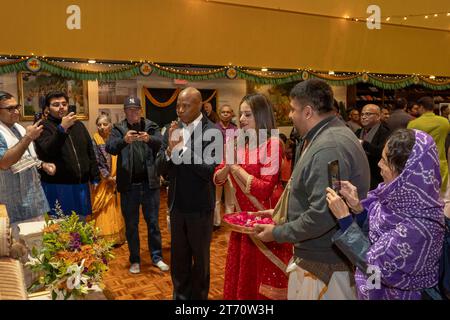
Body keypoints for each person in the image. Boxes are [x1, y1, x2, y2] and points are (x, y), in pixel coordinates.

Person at [254, 79, 370, 300]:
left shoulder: (328, 145)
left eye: (292, 109)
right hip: (324, 256)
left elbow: (323, 214)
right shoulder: (327, 135)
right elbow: (314, 197)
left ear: (307, 111)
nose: (289, 115)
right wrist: (282, 215)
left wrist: (278, 233)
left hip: (323, 264)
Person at [326, 129, 445, 300]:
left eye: (385, 161)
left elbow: (374, 268)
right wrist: (358, 209)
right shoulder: (395, 198)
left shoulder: (421, 226)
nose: (379, 165)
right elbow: (376, 241)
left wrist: (345, 220)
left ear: (405, 174)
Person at [214, 93, 292, 300]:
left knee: (262, 281)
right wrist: (225, 169)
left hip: (263, 222)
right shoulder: (240, 142)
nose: (241, 119)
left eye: (247, 114)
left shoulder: (273, 144)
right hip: (242, 223)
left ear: (261, 115)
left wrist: (235, 167)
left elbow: (264, 189)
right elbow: (218, 176)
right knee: (243, 278)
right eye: (240, 114)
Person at [156, 87, 220, 300]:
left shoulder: (213, 131)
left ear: (199, 105)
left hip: (201, 207)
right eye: (178, 106)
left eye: (186, 105)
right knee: (179, 261)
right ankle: (180, 299)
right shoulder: (171, 129)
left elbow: (208, 171)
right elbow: (160, 169)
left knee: (200, 262)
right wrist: (167, 151)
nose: (180, 110)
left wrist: (182, 150)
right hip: (176, 206)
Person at [106, 96, 168, 274]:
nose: (133, 113)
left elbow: (163, 144)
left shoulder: (151, 126)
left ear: (141, 110)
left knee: (154, 224)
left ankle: (157, 257)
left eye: (136, 109)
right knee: (132, 226)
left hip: (150, 185)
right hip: (129, 186)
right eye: (129, 110)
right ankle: (135, 260)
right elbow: (110, 147)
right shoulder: (119, 128)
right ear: (125, 111)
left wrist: (150, 139)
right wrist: (124, 140)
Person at [34, 91, 100, 219]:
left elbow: (90, 151)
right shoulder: (43, 126)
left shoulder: (79, 125)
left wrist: (95, 177)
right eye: (56, 104)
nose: (61, 107)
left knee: (81, 226)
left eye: (64, 104)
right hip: (58, 186)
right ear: (47, 108)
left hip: (81, 185)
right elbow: (48, 150)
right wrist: (61, 129)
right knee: (61, 229)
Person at [0, 91, 55, 238]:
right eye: (9, 109)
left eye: (17, 107)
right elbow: (4, 162)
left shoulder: (20, 128)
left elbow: (29, 158)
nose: (16, 111)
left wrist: (43, 164)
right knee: (16, 250)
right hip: (11, 201)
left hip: (32, 198)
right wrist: (28, 137)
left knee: (40, 246)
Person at [90, 114, 125, 245]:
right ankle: (103, 239)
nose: (102, 127)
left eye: (105, 124)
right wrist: (108, 177)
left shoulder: (115, 138)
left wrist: (118, 176)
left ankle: (117, 238)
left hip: (116, 179)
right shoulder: (95, 140)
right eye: (99, 124)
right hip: (103, 181)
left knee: (116, 208)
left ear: (110, 124)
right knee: (103, 210)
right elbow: (96, 162)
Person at [408, 96, 450, 193]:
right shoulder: (445, 122)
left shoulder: (412, 124)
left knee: (422, 196)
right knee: (440, 198)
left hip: (420, 165)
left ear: (422, 107)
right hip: (440, 163)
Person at [356, 104, 391, 190]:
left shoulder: (384, 132)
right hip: (360, 173)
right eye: (362, 114)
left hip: (376, 175)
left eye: (368, 114)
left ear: (378, 116)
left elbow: (381, 152)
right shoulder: (358, 131)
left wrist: (364, 144)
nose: (364, 117)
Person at [214, 104, 237, 229]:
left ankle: (230, 221)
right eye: (223, 112)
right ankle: (216, 222)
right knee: (216, 198)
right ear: (219, 113)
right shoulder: (213, 128)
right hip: (218, 166)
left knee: (230, 197)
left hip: (232, 166)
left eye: (228, 112)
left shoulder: (236, 129)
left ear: (231, 113)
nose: (226, 114)